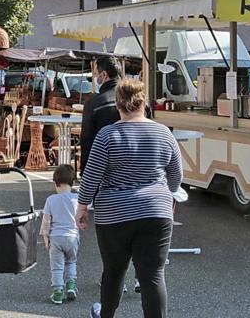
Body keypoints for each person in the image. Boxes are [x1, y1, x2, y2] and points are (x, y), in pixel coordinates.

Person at [77, 79, 182, 318]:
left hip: (114, 214)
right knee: (153, 276)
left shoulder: (107, 135)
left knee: (113, 271)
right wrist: (167, 192)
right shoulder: (163, 133)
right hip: (156, 211)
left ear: (117, 104)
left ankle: (107, 315)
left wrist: (82, 207)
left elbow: (91, 176)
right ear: (143, 102)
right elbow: (176, 175)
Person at [42, 164, 80, 305]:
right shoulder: (77, 198)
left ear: (55, 182)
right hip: (72, 237)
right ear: (73, 182)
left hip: (56, 238)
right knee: (71, 262)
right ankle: (71, 286)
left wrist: (46, 239)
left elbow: (46, 221)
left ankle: (58, 292)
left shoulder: (51, 200)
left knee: (57, 267)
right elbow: (80, 218)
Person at [80, 56, 123, 174]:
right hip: (135, 169)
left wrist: (85, 171)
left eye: (95, 73)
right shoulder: (137, 100)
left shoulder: (94, 104)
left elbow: (87, 140)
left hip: (104, 168)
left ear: (103, 75)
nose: (94, 77)